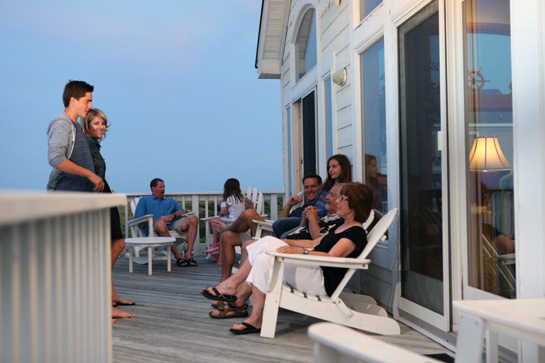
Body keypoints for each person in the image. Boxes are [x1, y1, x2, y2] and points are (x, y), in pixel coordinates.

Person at [202, 182, 373, 334]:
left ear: (354, 204)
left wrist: (300, 252)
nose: (337, 201)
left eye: (342, 198)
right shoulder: (340, 226)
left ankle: (232, 284)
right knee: (263, 258)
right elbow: (314, 244)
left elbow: (332, 256)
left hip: (320, 280)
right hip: (311, 271)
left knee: (267, 242)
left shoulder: (355, 232)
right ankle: (255, 320)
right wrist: (285, 241)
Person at [82, 108, 135, 321]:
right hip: (98, 199)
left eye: (103, 123)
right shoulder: (86, 143)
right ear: (87, 124)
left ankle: (109, 294)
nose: (101, 127)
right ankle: (97, 293)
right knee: (117, 244)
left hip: (104, 194)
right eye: (96, 123)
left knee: (112, 245)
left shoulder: (92, 144)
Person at [47, 80, 104, 192]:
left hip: (82, 198)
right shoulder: (61, 124)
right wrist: (89, 174)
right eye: (87, 102)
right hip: (68, 197)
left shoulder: (77, 127)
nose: (90, 106)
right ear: (73, 100)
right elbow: (55, 157)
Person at [134, 178, 200, 267]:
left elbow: (182, 212)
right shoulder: (144, 200)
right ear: (153, 188)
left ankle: (188, 254)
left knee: (193, 219)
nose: (163, 189)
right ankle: (178, 256)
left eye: (164, 187)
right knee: (161, 224)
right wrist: (157, 220)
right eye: (160, 187)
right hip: (154, 226)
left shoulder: (171, 201)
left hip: (172, 224)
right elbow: (138, 219)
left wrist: (172, 215)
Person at [272, 173, 328, 239]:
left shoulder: (319, 202)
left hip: (305, 222)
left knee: (279, 230)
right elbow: (282, 219)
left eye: (313, 186)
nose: (309, 190)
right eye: (306, 187)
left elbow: (279, 223)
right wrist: (289, 205)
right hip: (295, 224)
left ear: (319, 188)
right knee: (278, 228)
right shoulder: (301, 207)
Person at [206, 178, 248, 256]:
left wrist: (222, 211)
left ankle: (215, 244)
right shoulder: (242, 197)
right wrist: (246, 208)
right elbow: (251, 203)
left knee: (213, 221)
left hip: (230, 222)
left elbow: (224, 212)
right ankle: (217, 244)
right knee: (216, 221)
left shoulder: (230, 198)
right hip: (239, 221)